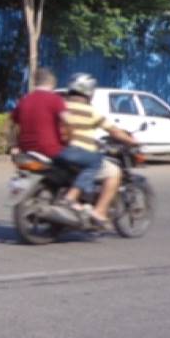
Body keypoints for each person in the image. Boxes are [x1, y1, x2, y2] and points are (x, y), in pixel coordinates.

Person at [57, 73, 139, 227]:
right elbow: (113, 131)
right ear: (89, 92)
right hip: (81, 154)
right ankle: (99, 211)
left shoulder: (62, 106)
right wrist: (131, 140)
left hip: (61, 153)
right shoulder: (91, 111)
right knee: (114, 172)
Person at [8, 67, 67, 159]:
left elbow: (12, 126)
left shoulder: (24, 101)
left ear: (35, 82)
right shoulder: (56, 100)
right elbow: (67, 122)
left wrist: (13, 146)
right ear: (52, 82)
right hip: (51, 150)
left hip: (26, 150)